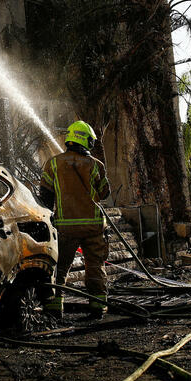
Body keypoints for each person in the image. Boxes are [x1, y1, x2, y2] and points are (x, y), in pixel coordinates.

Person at [38, 121, 110, 317]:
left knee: (60, 268)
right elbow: (104, 193)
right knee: (95, 266)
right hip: (94, 227)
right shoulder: (96, 165)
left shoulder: (53, 163)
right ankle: (97, 307)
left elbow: (45, 197)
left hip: (65, 227)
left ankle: (54, 308)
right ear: (86, 140)